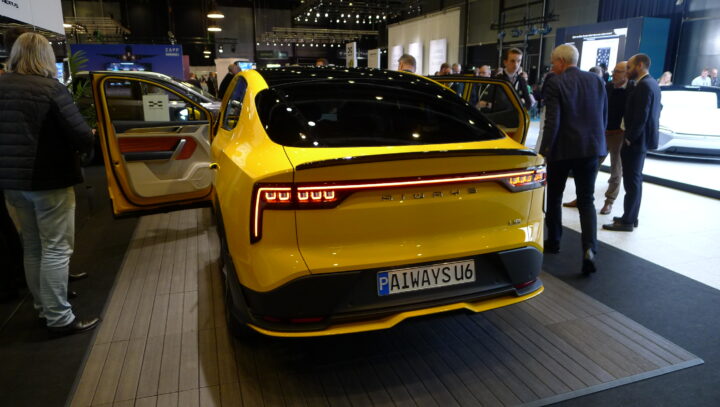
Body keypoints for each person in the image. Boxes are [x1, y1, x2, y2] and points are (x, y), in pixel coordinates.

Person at [0, 32, 99, 335]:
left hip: (12, 182)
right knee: (56, 249)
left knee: (32, 247)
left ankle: (44, 309)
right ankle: (59, 318)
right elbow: (80, 134)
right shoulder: (50, 89)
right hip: (49, 180)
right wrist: (90, 139)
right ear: (45, 57)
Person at [539, 44, 607, 275]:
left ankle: (554, 241)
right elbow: (603, 114)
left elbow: (553, 121)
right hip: (590, 149)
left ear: (561, 61)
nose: (552, 66)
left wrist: (544, 151)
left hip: (563, 150)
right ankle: (589, 250)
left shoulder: (555, 82)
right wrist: (599, 145)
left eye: (553, 62)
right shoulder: (596, 80)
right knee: (586, 201)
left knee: (554, 196)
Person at [603, 53, 661, 232]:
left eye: (629, 67)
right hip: (640, 141)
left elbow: (641, 115)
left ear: (640, 65)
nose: (627, 71)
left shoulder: (644, 85)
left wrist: (629, 138)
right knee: (634, 180)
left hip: (635, 142)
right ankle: (630, 216)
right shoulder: (652, 83)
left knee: (632, 182)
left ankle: (627, 221)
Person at [599, 61, 634, 215]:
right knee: (592, 165)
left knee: (616, 169)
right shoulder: (608, 87)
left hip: (619, 134)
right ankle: (582, 197)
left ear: (627, 74)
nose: (614, 74)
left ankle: (609, 201)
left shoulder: (633, 89)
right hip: (603, 132)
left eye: (618, 72)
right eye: (614, 71)